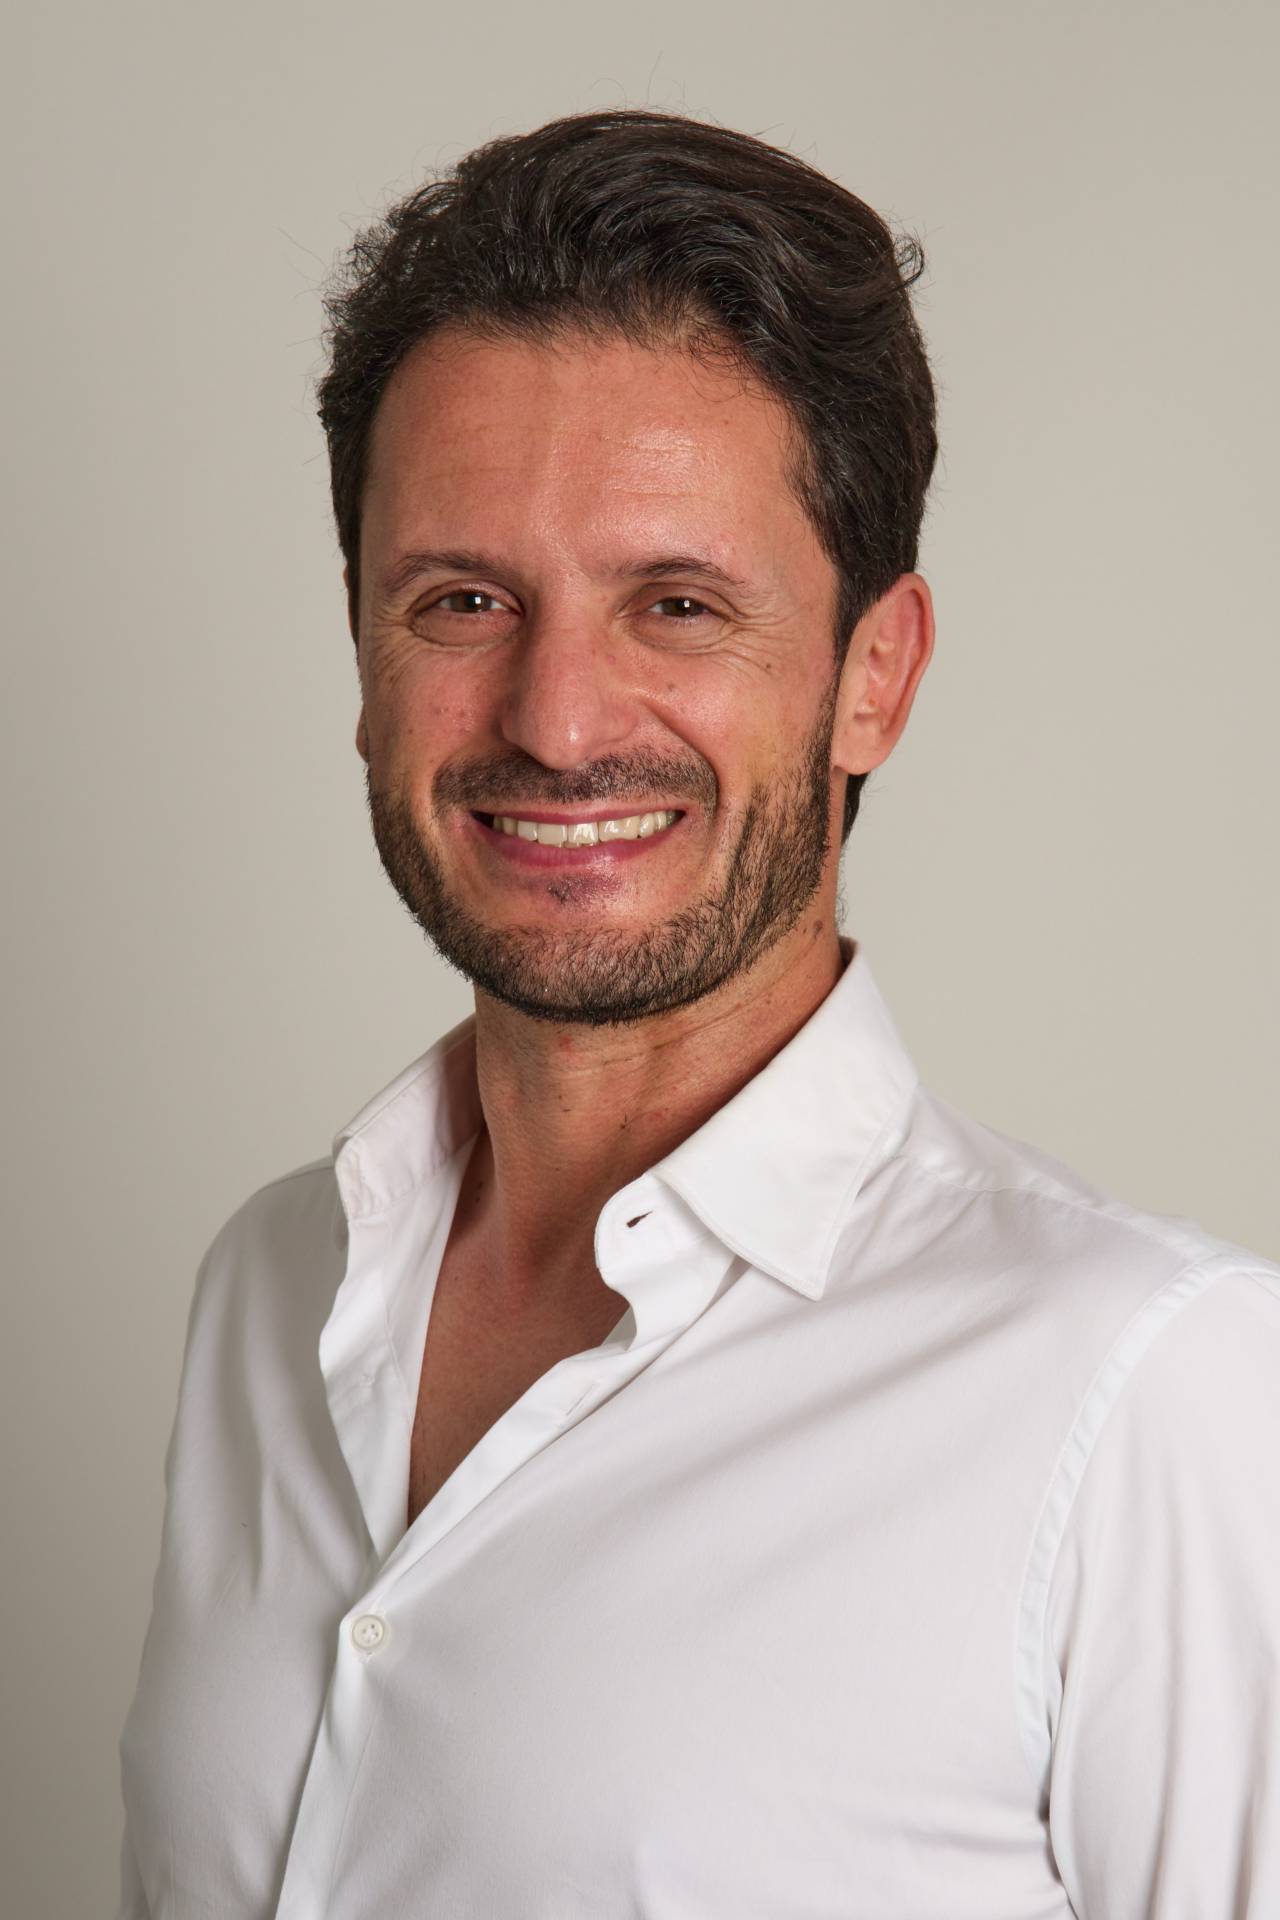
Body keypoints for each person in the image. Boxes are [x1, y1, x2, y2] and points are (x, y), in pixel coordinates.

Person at [116, 109, 1280, 1918]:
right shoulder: (272, 1288)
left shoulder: (1154, 1397)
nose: (557, 720)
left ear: (874, 675)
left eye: (676, 604)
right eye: (463, 600)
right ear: (360, 646)